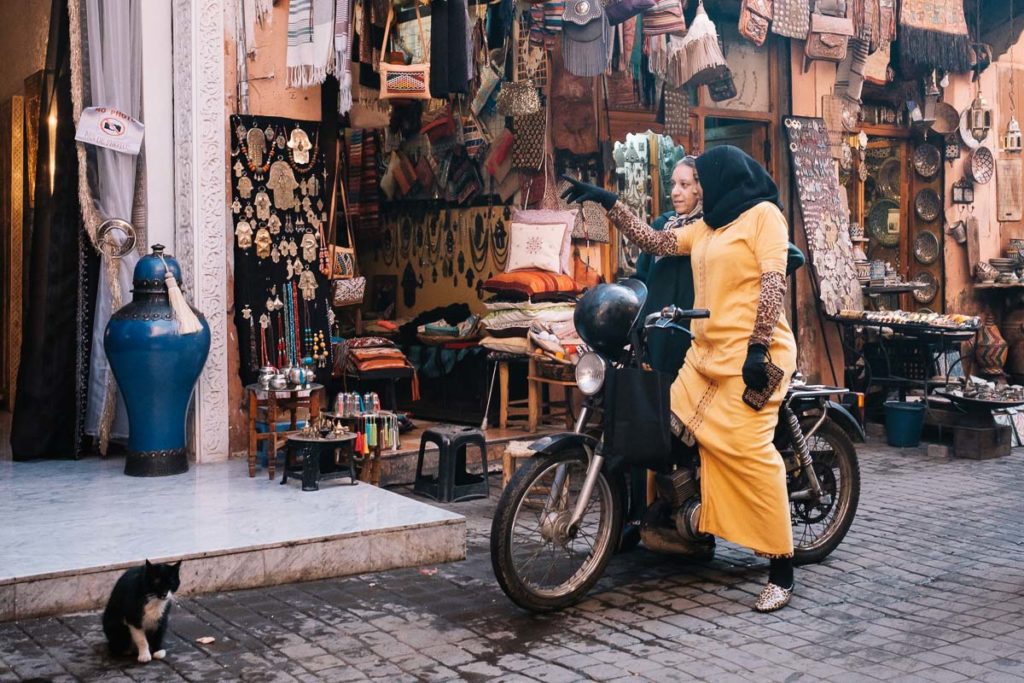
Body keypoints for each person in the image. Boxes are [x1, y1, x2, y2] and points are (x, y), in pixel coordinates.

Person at [562, 145, 799, 613]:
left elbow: (773, 283)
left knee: (751, 455)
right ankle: (689, 515)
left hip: (754, 358)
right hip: (703, 357)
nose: (696, 190)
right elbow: (655, 243)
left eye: (702, 182)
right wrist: (608, 201)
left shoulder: (764, 217)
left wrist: (756, 348)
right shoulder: (708, 227)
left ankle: (781, 567)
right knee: (660, 427)